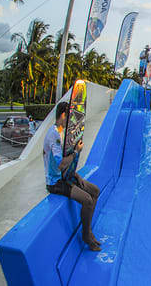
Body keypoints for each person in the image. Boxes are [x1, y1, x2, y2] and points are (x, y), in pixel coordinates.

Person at [43, 102, 101, 251]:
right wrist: (76, 152)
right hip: (55, 182)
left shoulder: (62, 132)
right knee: (87, 200)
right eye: (69, 117)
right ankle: (86, 235)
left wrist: (76, 175)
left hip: (65, 176)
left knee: (95, 191)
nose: (71, 121)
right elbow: (61, 164)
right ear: (63, 115)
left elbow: (66, 165)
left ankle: (88, 230)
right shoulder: (54, 134)